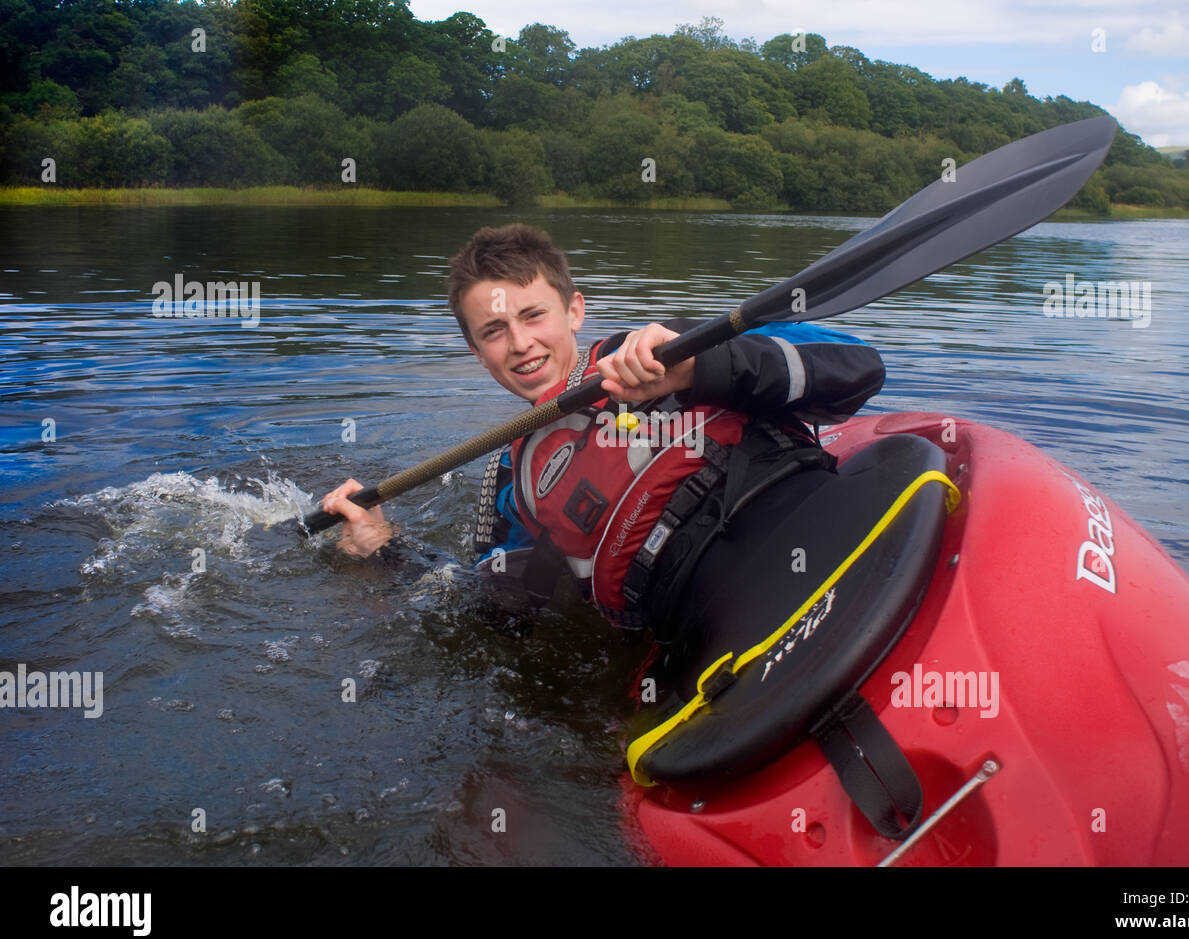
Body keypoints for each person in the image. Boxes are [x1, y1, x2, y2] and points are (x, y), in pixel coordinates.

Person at [322, 223, 885, 637]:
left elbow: (858, 367)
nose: (520, 344)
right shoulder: (513, 479)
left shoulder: (669, 346)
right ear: (475, 352)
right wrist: (386, 550)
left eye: (534, 315)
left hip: (830, 539)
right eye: (494, 330)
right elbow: (493, 619)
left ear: (575, 311)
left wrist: (699, 369)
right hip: (722, 633)